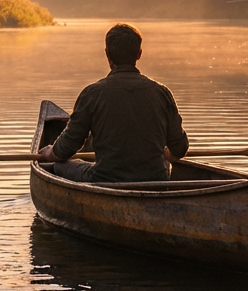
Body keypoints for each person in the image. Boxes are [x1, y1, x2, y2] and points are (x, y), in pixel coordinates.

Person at [39, 23, 189, 183]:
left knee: (59, 165)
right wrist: (167, 153)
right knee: (165, 162)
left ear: (107, 54)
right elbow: (180, 149)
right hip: (156, 181)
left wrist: (50, 153)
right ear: (139, 54)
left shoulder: (92, 94)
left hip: (105, 179)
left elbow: (68, 146)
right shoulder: (162, 93)